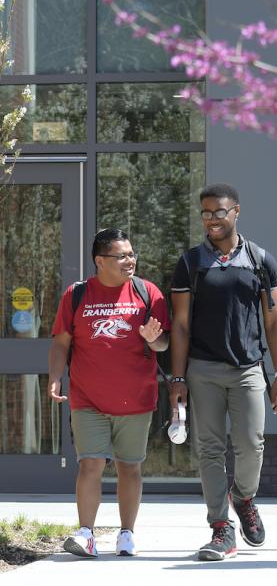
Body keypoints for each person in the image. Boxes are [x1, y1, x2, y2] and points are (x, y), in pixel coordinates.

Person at [170, 182, 277, 561]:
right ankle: (221, 528)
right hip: (203, 370)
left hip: (249, 370)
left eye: (219, 212)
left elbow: (274, 321)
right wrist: (177, 379)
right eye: (205, 213)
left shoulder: (260, 260)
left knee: (252, 446)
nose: (211, 220)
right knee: (209, 450)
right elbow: (181, 326)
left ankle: (244, 498)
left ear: (236, 211)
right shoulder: (191, 263)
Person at [48, 228, 170, 558]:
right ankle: (86, 533)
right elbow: (62, 341)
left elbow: (164, 344)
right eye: (122, 255)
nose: (130, 260)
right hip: (88, 398)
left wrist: (151, 338)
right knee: (90, 464)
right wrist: (56, 377)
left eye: (132, 254)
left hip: (136, 399)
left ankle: (126, 534)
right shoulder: (77, 294)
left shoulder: (148, 293)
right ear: (100, 261)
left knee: (129, 467)